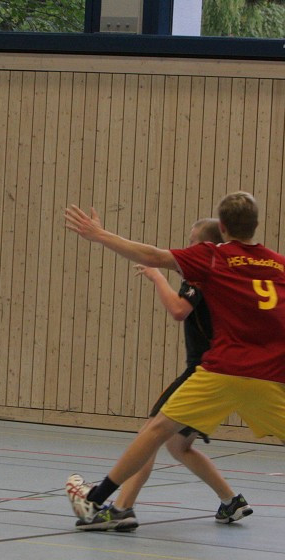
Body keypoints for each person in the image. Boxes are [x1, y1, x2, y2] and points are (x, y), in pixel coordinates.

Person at [63, 193, 285, 554]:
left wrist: (100, 235)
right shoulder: (277, 264)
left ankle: (97, 500)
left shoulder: (213, 255)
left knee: (156, 429)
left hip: (223, 370)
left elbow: (150, 254)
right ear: (255, 225)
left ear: (222, 228)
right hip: (273, 374)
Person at [75, 218, 251, 532]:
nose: (186, 246)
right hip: (226, 375)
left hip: (203, 373)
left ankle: (121, 507)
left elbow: (178, 309)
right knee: (177, 446)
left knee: (150, 436)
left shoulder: (200, 277)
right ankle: (231, 501)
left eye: (191, 240)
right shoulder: (222, 274)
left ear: (204, 246)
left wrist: (157, 276)